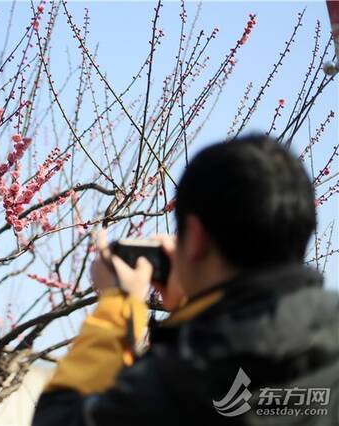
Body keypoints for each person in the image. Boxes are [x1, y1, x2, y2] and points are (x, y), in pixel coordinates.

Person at [32, 135, 339, 425]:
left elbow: (59, 419)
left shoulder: (189, 374)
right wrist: (193, 313)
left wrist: (119, 308)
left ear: (195, 238)